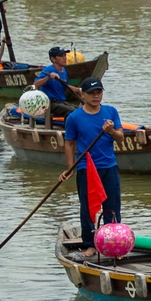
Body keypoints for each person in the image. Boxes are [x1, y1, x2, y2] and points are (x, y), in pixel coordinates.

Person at [61, 79, 128, 237]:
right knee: (88, 207)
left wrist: (111, 131)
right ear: (83, 94)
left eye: (99, 93)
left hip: (109, 166)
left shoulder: (111, 112)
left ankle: (113, 241)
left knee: (112, 207)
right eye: (91, 93)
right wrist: (70, 168)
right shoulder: (74, 117)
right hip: (86, 168)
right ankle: (90, 243)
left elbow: (120, 138)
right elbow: (69, 144)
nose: (95, 96)